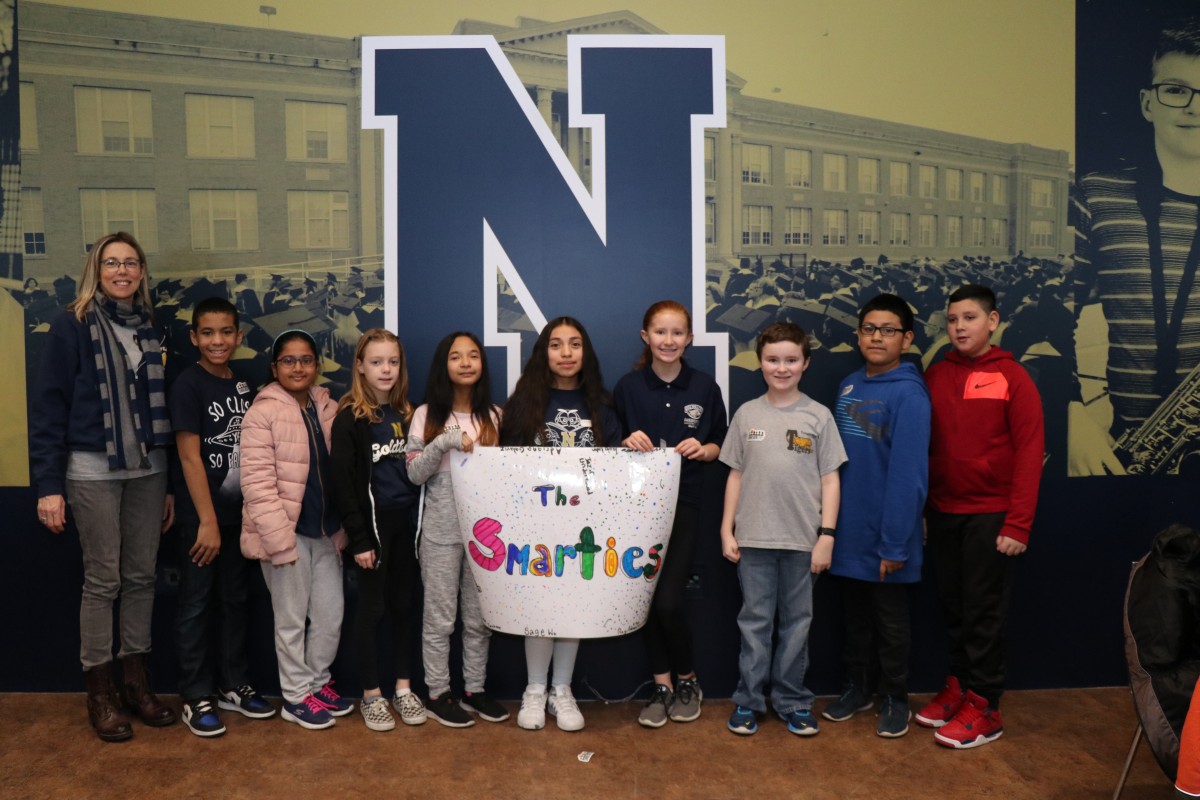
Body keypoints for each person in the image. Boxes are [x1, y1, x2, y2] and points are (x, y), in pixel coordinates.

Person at [30, 231, 176, 742]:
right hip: (92, 470)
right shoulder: (71, 325)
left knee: (141, 577)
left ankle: (136, 685)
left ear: (141, 271)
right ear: (96, 268)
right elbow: (49, 408)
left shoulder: (151, 324)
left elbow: (162, 413)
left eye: (130, 262)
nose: (121, 271)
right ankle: (102, 692)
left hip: (149, 471)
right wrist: (49, 485)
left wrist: (170, 486)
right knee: (104, 581)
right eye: (111, 263)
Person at [1071, 16, 1200, 476]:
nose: (1193, 108)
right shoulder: (1096, 196)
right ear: (1149, 102)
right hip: (1128, 452)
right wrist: (1071, 416)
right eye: (1176, 90)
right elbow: (1041, 320)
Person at [918, 284, 1044, 749]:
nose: (959, 327)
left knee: (983, 614)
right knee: (953, 608)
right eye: (952, 320)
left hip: (991, 516)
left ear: (992, 322)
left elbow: (1031, 453)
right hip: (945, 513)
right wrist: (926, 509)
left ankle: (985, 706)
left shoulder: (1014, 376)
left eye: (969, 318)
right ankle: (960, 688)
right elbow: (925, 447)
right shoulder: (936, 373)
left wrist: (1018, 524)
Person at [719, 322, 846, 737]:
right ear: (760, 363)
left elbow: (830, 479)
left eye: (791, 360)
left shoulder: (818, 416)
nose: (782, 367)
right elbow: (735, 475)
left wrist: (826, 536)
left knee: (797, 625)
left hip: (802, 542)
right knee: (754, 623)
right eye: (773, 359)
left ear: (805, 363)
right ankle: (749, 701)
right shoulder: (747, 414)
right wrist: (726, 529)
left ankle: (793, 701)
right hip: (753, 539)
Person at [500, 316, 622, 732]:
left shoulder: (603, 406)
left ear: (585, 352)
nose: (566, 353)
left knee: (573, 607)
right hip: (535, 528)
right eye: (556, 345)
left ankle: (562, 690)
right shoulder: (521, 403)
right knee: (539, 606)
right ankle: (534, 689)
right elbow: (506, 470)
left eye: (574, 344)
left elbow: (617, 468)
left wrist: (635, 446)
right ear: (543, 353)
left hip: (585, 529)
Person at [613, 300, 727, 728]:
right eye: (660, 332)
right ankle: (661, 687)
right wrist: (626, 441)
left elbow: (720, 442)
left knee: (668, 600)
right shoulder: (627, 388)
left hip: (685, 506)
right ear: (646, 336)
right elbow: (612, 444)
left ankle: (688, 680)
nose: (668, 340)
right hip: (634, 510)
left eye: (677, 332)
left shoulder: (703, 387)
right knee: (644, 600)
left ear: (690, 338)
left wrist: (704, 449)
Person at [823, 293, 930, 738]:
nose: (876, 337)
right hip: (848, 532)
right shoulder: (849, 384)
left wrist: (894, 541)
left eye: (888, 330)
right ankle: (858, 688)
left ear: (906, 338)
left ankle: (895, 696)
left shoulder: (910, 395)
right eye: (869, 328)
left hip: (888, 536)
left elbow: (909, 477)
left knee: (890, 622)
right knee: (855, 619)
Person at [170, 296, 275, 738]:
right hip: (204, 518)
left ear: (239, 336)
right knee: (196, 603)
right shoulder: (187, 385)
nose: (218, 341)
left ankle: (233, 683)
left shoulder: (245, 383)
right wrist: (207, 521)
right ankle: (196, 694)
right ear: (194, 337)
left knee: (236, 599)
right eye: (207, 333)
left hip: (240, 515)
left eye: (226, 332)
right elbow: (190, 458)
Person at [240, 329, 351, 730]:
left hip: (325, 534)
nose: (298, 367)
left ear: (317, 366)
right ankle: (295, 696)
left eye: (306, 360)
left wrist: (341, 530)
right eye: (289, 360)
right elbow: (257, 486)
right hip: (285, 538)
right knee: (290, 620)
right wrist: (278, 543)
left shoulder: (328, 407)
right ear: (275, 368)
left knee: (329, 616)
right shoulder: (262, 413)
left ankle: (318, 683)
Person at [404, 331, 508, 728]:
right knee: (440, 617)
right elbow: (414, 473)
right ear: (443, 365)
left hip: (486, 533)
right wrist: (445, 441)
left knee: (480, 618)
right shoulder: (426, 414)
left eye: (473, 355)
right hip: (441, 530)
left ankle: (474, 690)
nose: (465, 362)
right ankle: (437, 692)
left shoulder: (495, 417)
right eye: (455, 356)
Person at [331, 329, 425, 732]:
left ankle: (403, 688)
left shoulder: (411, 413)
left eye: (393, 361)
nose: (385, 370)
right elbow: (345, 485)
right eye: (376, 362)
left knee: (405, 606)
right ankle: (371, 694)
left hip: (408, 526)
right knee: (371, 610)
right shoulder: (350, 416)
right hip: (373, 528)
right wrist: (360, 538)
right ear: (360, 366)